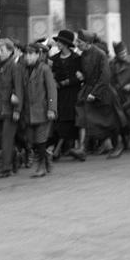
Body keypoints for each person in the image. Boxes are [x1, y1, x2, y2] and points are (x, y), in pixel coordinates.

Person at [69, 30, 119, 160]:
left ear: (88, 43)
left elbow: (105, 76)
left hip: (103, 93)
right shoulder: (84, 55)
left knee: (108, 122)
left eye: (79, 42)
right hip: (88, 91)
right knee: (84, 119)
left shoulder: (100, 54)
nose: (77, 44)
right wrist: (82, 75)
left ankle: (117, 146)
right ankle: (82, 149)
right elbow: (87, 73)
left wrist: (95, 93)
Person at [21, 42, 58, 178]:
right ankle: (46, 156)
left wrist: (52, 108)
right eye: (26, 54)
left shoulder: (44, 69)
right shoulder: (24, 70)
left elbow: (51, 90)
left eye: (31, 54)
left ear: (38, 55)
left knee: (40, 139)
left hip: (42, 110)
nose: (28, 57)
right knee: (31, 140)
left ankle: (41, 166)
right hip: (28, 112)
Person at [0, 38, 24, 178]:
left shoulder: (14, 67)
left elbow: (19, 89)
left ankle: (6, 168)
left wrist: (17, 110)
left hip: (10, 109)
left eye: (2, 50)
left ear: (10, 51)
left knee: (6, 138)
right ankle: (14, 154)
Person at [49, 29, 81, 161]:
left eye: (61, 42)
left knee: (68, 120)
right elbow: (51, 75)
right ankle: (61, 148)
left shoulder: (76, 58)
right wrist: (54, 82)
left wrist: (65, 82)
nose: (58, 44)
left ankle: (58, 149)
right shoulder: (54, 59)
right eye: (58, 42)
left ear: (67, 44)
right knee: (59, 120)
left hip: (72, 93)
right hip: (59, 94)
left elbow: (80, 77)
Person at [111, 41, 130, 151]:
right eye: (120, 54)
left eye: (124, 52)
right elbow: (111, 80)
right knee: (121, 118)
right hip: (119, 94)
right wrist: (117, 87)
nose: (123, 55)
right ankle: (124, 140)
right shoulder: (113, 64)